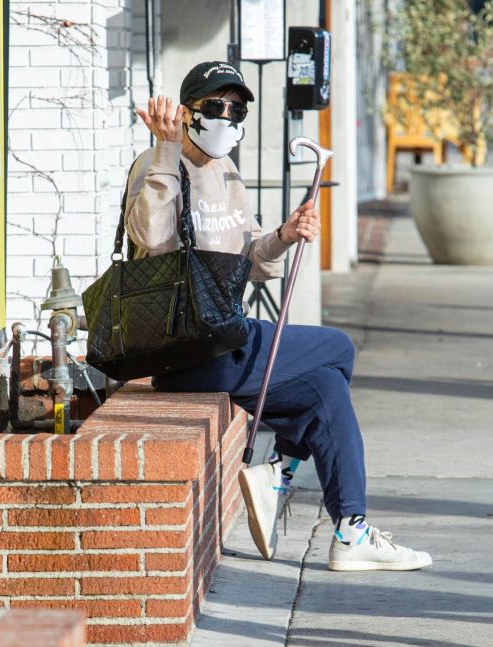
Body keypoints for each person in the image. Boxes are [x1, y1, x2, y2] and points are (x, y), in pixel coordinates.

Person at [125, 61, 432, 571]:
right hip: (186, 348)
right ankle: (282, 474)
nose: (228, 116)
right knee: (338, 348)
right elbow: (154, 242)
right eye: (216, 106)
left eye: (237, 108)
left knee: (325, 392)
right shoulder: (157, 163)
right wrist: (165, 148)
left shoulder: (227, 172)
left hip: (225, 335)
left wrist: (284, 236)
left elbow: (252, 263)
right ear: (187, 112)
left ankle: (349, 532)